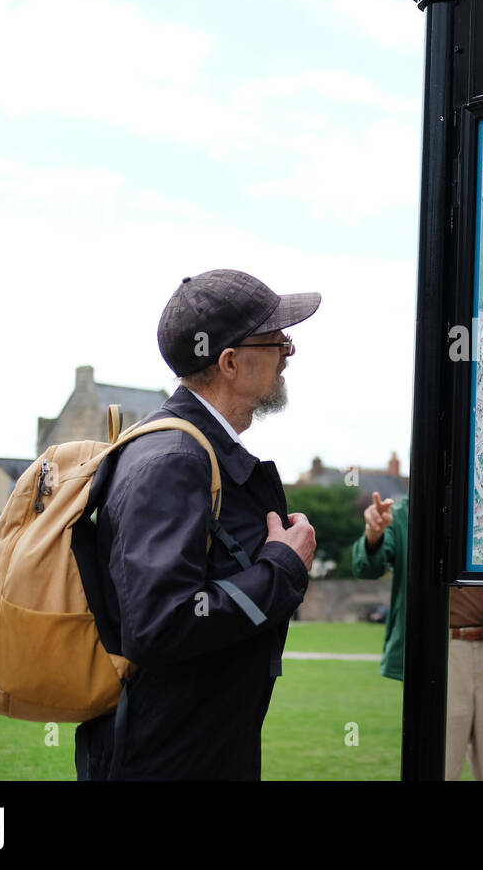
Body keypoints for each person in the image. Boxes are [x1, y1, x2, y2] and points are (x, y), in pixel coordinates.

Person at [74, 269, 320, 780]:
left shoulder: (190, 448)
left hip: (198, 748)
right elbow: (159, 623)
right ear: (230, 362)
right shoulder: (173, 460)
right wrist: (282, 566)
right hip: (170, 759)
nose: (288, 353)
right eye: (277, 341)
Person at [351, 492, 483, 780]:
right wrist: (373, 534)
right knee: (437, 768)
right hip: (439, 654)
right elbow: (367, 567)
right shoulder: (406, 512)